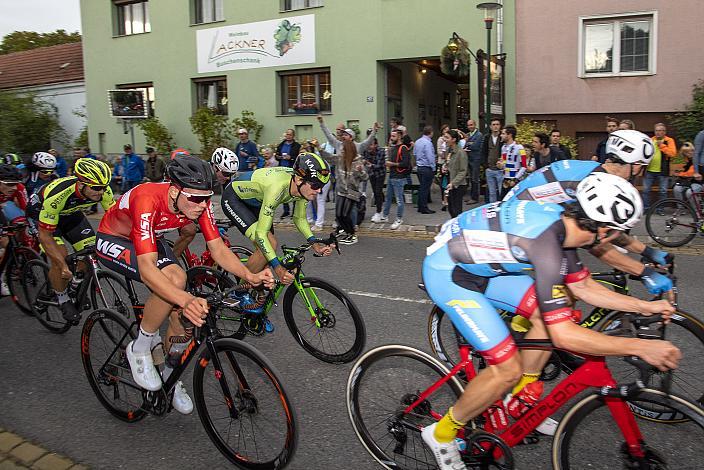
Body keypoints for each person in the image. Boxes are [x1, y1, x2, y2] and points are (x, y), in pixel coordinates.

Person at [421, 174, 680, 469]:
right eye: (619, 235)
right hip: (449, 274)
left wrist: (644, 307)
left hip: (483, 269)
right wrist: (640, 347)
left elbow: (583, 288)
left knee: (556, 311)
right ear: (604, 230)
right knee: (507, 369)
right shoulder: (546, 244)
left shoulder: (564, 227)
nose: (617, 241)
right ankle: (441, 434)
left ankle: (520, 399)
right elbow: (564, 336)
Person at [96, 156, 273, 414]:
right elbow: (147, 270)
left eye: (208, 198)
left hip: (149, 238)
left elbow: (218, 250)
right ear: (175, 189)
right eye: (196, 199)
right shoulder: (147, 198)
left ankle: (169, 375)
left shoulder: (199, 203)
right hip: (115, 237)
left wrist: (249, 276)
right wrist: (186, 300)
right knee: (176, 284)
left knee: (180, 300)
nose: (203, 205)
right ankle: (140, 347)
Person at [503, 130, 674, 297]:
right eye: (641, 167)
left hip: (526, 212)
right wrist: (644, 272)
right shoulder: (594, 185)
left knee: (571, 281)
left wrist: (649, 252)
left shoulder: (597, 172)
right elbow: (596, 243)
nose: (640, 173)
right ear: (633, 164)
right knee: (570, 287)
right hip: (519, 223)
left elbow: (608, 232)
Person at [220, 152, 334, 288]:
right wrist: (278, 269)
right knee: (269, 244)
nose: (319, 191)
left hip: (258, 201)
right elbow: (261, 234)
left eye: (322, 185)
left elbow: (299, 218)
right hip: (235, 199)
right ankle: (239, 290)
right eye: (315, 185)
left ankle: (256, 279)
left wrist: (315, 244)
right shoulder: (277, 188)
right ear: (298, 180)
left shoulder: (301, 187)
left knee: (267, 251)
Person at [27, 159, 115, 324]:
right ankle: (62, 299)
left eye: (104, 187)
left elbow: (116, 218)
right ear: (81, 184)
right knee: (60, 257)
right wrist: (62, 265)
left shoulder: (102, 189)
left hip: (71, 214)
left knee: (91, 251)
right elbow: (45, 236)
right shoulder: (59, 195)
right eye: (96, 188)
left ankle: (75, 284)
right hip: (41, 213)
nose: (101, 192)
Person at [329, 128, 368, 245]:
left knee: (345, 214)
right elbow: (329, 157)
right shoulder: (341, 158)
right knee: (339, 215)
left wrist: (361, 171)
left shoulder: (357, 161)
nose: (341, 151)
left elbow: (365, 178)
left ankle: (352, 235)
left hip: (352, 192)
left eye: (344, 149)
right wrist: (319, 149)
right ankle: (347, 232)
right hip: (341, 190)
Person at [377, 129, 412, 230]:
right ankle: (385, 216)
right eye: (391, 136)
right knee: (388, 198)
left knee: (399, 200)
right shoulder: (393, 148)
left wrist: (392, 164)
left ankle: (399, 218)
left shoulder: (403, 148)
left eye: (393, 136)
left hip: (399, 178)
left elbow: (406, 164)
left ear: (399, 137)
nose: (391, 138)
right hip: (392, 176)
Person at [643, 123, 678, 211]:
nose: (658, 133)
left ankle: (660, 209)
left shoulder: (669, 140)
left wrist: (662, 146)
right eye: (656, 131)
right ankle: (646, 208)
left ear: (664, 132)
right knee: (646, 190)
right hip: (649, 170)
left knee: (663, 191)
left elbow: (673, 153)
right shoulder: (650, 140)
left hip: (663, 170)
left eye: (660, 131)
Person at [275, 129, 301, 219]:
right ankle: (286, 210)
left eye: (290, 134)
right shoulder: (281, 144)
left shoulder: (297, 146)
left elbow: (299, 157)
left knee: (293, 190)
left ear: (293, 136)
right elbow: (277, 155)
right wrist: (278, 156)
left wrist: (291, 158)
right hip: (282, 170)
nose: (288, 136)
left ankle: (294, 211)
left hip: (292, 170)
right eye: (287, 134)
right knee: (283, 191)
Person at [444, 129, 468, 218]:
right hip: (449, 182)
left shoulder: (461, 153)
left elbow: (463, 171)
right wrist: (445, 167)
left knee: (456, 209)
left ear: (453, 139)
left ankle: (458, 227)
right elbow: (449, 164)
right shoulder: (449, 150)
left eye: (447, 137)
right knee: (450, 208)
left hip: (458, 185)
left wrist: (453, 183)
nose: (445, 139)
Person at [498, 125, 527, 198]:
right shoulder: (503, 147)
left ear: (510, 135)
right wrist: (501, 165)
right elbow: (504, 162)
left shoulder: (520, 148)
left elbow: (524, 166)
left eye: (503, 134)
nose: (501, 135)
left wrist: (515, 179)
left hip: (515, 180)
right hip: (505, 179)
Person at [414, 125, 436, 214]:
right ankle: (424, 207)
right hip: (427, 167)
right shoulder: (428, 143)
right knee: (425, 188)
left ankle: (420, 206)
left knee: (422, 187)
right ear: (430, 133)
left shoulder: (418, 141)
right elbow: (430, 156)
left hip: (419, 167)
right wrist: (433, 167)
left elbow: (415, 154)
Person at [365, 138, 387, 223]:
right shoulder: (367, 151)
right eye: (368, 144)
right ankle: (380, 208)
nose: (369, 147)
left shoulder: (381, 151)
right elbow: (364, 159)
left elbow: (379, 165)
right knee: (376, 192)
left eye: (371, 144)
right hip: (372, 174)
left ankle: (379, 212)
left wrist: (370, 164)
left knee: (378, 192)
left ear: (376, 145)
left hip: (380, 173)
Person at [482, 119, 503, 203]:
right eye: (493, 124)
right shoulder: (487, 137)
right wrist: (485, 165)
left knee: (502, 192)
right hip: (489, 169)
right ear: (490, 126)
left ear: (500, 126)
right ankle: (492, 210)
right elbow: (483, 152)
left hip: (500, 169)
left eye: (497, 124)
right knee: (492, 193)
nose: (495, 126)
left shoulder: (502, 137)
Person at [464, 119, 484, 204]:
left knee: (475, 179)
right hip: (469, 159)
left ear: (475, 125)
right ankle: (472, 196)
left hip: (476, 159)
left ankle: (475, 198)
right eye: (468, 125)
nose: (470, 127)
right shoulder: (468, 134)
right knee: (471, 178)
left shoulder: (479, 135)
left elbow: (475, 146)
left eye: (471, 125)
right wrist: (469, 143)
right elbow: (464, 144)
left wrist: (468, 144)